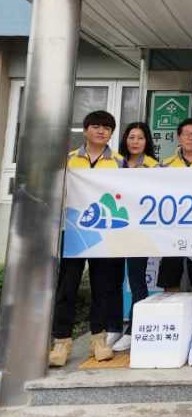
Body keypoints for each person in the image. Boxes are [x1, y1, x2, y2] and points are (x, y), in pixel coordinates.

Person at [49, 111, 125, 367]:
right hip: (71, 232)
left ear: (111, 133)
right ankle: (61, 341)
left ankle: (98, 340)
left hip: (104, 234)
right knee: (67, 286)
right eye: (96, 126)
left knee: (102, 287)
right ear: (85, 130)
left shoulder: (119, 162)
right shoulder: (69, 160)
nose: (101, 131)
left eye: (107, 128)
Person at [110, 122, 158, 352]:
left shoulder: (155, 167)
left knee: (137, 279)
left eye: (140, 138)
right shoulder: (114, 163)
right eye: (131, 137)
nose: (135, 142)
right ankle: (112, 327)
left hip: (140, 231)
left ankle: (133, 328)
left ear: (147, 141)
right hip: (113, 229)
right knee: (112, 279)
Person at [157, 118, 192, 294]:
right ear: (179, 137)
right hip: (172, 229)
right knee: (170, 277)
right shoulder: (165, 165)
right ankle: (170, 310)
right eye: (186, 134)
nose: (190, 137)